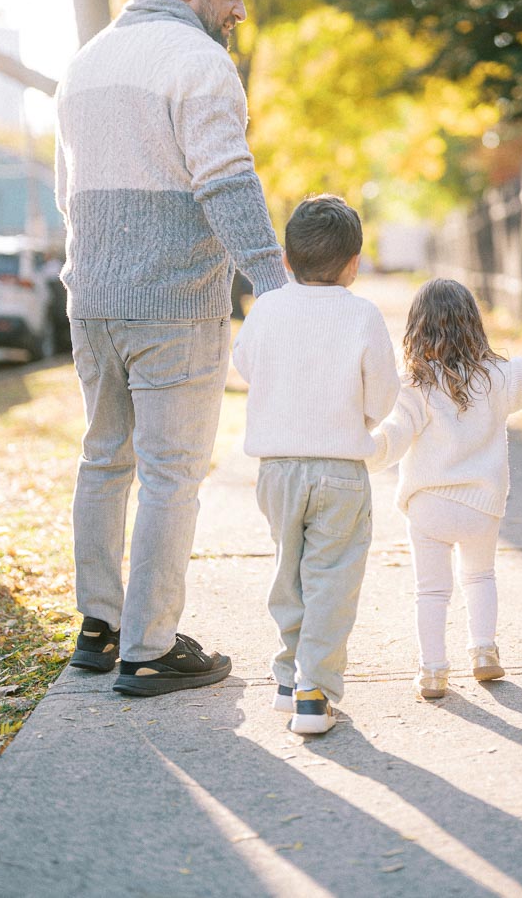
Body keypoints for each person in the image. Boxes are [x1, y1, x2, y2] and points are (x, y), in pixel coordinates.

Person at [56, 0, 287, 697]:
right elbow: (225, 180)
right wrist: (274, 287)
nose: (239, 9)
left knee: (104, 458)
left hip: (91, 301)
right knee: (169, 473)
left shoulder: (83, 65)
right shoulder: (199, 63)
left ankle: (100, 626)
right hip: (173, 304)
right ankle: (150, 646)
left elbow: (69, 196)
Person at [233, 193, 399, 734]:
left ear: (285, 259)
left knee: (289, 574)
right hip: (341, 471)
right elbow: (384, 394)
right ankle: (313, 691)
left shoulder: (269, 308)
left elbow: (245, 367)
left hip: (277, 470)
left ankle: (289, 676)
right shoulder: (362, 314)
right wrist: (363, 419)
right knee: (331, 580)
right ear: (354, 264)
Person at [369, 277, 522, 700]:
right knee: (480, 576)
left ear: (417, 328)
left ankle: (432, 671)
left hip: (430, 506)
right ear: (473, 324)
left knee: (431, 590)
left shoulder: (414, 384)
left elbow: (394, 437)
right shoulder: (497, 376)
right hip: (482, 506)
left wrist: (360, 452)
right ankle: (483, 651)